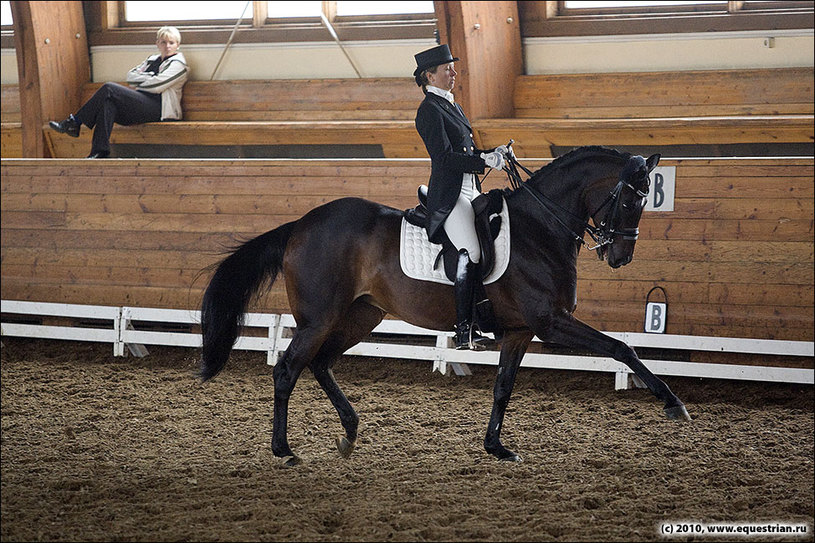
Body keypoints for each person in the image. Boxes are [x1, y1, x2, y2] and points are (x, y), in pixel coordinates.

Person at [413, 44, 507, 351]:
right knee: (472, 252)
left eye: (453, 67)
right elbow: (444, 158)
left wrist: (490, 155)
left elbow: (466, 152)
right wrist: (483, 163)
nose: (454, 72)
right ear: (430, 75)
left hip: (471, 188)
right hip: (450, 194)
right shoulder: (428, 110)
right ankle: (464, 331)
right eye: (447, 69)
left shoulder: (453, 105)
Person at [49, 26, 189, 158]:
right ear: (157, 43)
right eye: (164, 42)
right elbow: (130, 77)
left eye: (171, 42)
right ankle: (99, 152)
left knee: (109, 88)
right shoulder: (152, 60)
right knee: (108, 104)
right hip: (141, 103)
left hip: (160, 109)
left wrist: (146, 79)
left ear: (178, 45)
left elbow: (158, 85)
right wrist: (150, 78)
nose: (167, 46)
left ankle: (75, 122)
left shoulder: (178, 65)